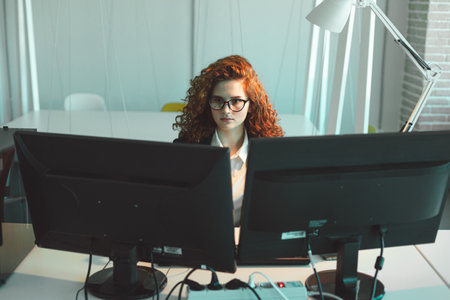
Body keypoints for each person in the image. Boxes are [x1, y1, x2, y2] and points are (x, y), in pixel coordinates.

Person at [173, 55, 283, 225]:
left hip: (252, 246)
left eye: (236, 101)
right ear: (206, 102)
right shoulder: (187, 148)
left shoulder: (271, 153)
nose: (226, 110)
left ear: (251, 104)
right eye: (218, 100)